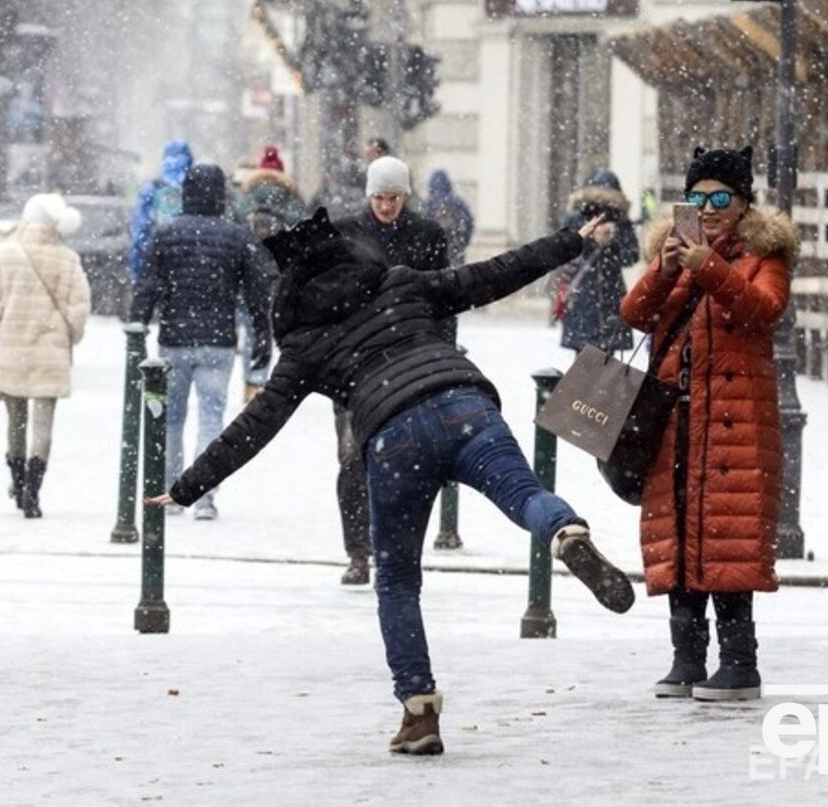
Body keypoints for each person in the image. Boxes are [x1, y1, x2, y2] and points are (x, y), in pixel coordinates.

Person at [148, 207, 633, 755]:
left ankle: (419, 711)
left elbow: (256, 424)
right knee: (526, 497)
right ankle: (566, 532)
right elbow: (493, 274)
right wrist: (568, 241)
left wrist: (189, 485)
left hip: (394, 439)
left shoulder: (305, 342)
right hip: (465, 405)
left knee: (398, 581)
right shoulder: (402, 285)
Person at [619, 146, 797, 702]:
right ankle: (686, 660)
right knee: (681, 540)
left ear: (744, 203)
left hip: (734, 428)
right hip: (675, 427)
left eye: (720, 197)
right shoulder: (675, 256)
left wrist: (709, 268)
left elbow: (762, 310)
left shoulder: (766, 257)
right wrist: (665, 267)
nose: (708, 206)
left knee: (727, 545)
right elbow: (634, 314)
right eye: (697, 197)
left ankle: (740, 664)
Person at [331, 156, 449, 586]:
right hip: (356, 365)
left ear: (406, 195)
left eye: (394, 197)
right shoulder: (345, 234)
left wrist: (441, 351)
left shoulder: (427, 235)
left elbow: (444, 297)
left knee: (407, 460)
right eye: (379, 197)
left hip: (411, 359)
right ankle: (359, 552)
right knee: (353, 459)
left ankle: (394, 550)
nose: (386, 206)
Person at [129, 164, 271, 521]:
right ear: (221, 194)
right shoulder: (236, 237)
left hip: (174, 339)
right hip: (218, 341)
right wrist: (263, 333)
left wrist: (138, 324)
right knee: (211, 417)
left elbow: (147, 285)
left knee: (172, 418)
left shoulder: (165, 234)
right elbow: (257, 291)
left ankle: (172, 490)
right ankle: (203, 496)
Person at [0, 193, 91, 518]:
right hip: (50, 354)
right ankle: (33, 492)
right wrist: (70, 336)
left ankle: (16, 480)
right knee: (43, 426)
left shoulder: (3, 254)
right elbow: (79, 308)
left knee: (15, 420)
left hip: (10, 351)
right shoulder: (68, 259)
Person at [235, 146, 305, 400]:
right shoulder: (292, 201)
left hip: (248, 277)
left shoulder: (244, 200)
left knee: (252, 330)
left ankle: (251, 382)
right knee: (271, 331)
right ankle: (264, 380)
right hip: (279, 277)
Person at [557, 167, 640, 355]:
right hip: (584, 298)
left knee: (607, 366)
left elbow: (631, 256)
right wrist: (589, 237)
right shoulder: (576, 219)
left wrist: (614, 238)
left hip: (610, 298)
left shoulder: (620, 222)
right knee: (585, 363)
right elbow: (564, 250)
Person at [127, 139, 193, 281]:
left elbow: (139, 234)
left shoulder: (151, 190)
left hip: (158, 267)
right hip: (192, 269)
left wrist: (138, 272)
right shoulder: (197, 189)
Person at [423, 170, 474, 267]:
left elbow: (420, 225)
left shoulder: (428, 204)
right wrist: (463, 242)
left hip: (434, 248)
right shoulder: (458, 203)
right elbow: (469, 223)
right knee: (456, 272)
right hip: (455, 245)